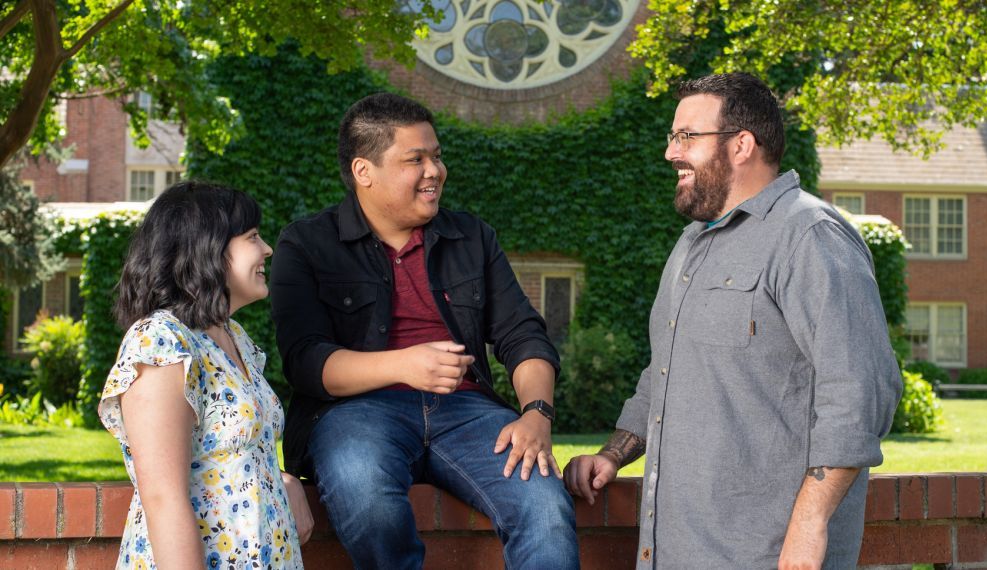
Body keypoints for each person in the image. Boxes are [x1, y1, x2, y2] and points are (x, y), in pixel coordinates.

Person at [564, 73, 902, 569]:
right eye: (671, 137)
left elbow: (859, 392)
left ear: (741, 144)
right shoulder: (691, 244)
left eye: (686, 137)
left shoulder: (810, 235)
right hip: (674, 551)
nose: (671, 153)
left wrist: (810, 526)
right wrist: (614, 454)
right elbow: (667, 375)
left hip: (766, 554)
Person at [269, 92, 579, 569]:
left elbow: (524, 335)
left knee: (545, 507)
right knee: (365, 492)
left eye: (437, 156)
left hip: (469, 413)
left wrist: (537, 414)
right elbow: (306, 362)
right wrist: (404, 364)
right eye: (416, 160)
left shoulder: (472, 236)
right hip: (354, 414)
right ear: (363, 171)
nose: (435, 171)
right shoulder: (307, 243)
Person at [99, 181, 313, 569]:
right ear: (207, 249)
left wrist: (283, 480)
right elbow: (164, 498)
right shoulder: (161, 344)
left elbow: (226, 454)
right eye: (252, 237)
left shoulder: (233, 337)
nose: (266, 249)